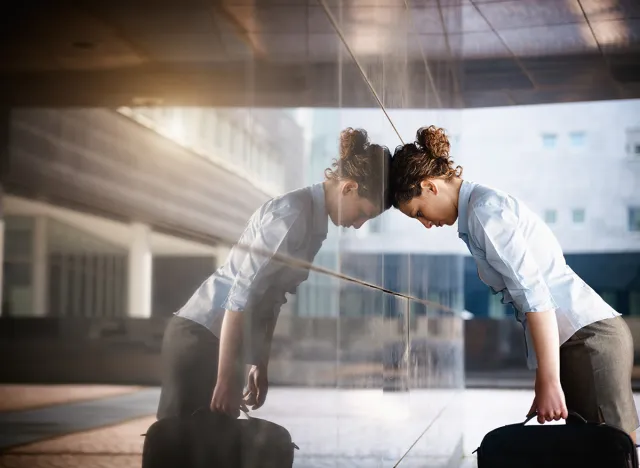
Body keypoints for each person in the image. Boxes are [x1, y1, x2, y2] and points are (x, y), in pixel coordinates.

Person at [389, 125, 638, 442]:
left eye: (419, 212)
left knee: (612, 453)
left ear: (429, 186)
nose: (426, 224)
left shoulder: (484, 213)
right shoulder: (480, 211)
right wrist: (544, 377)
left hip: (587, 339)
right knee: (599, 454)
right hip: (580, 340)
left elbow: (535, 298)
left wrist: (548, 380)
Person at [157, 128, 391, 420]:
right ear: (348, 188)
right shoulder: (293, 214)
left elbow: (272, 298)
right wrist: (226, 375)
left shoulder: (315, 224)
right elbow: (240, 295)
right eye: (363, 214)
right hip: (200, 337)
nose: (358, 224)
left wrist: (258, 362)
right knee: (181, 449)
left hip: (221, 344)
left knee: (211, 450)